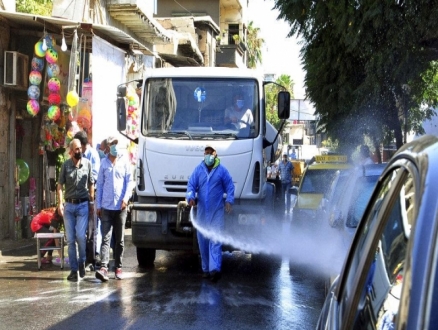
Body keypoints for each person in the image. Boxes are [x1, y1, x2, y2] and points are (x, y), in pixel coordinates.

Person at [186, 145, 234, 283]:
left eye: (210, 153)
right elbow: (191, 186)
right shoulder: (198, 170)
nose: (208, 155)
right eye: (206, 153)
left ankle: (215, 269)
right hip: (201, 212)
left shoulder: (222, 171)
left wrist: (229, 201)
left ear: (215, 154)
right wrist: (190, 198)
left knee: (215, 239)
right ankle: (206, 269)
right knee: (203, 241)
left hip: (216, 212)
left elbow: (230, 186)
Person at [95, 136, 135, 282]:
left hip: (120, 207)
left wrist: (125, 199)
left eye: (116, 144)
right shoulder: (103, 164)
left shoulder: (124, 162)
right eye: (112, 144)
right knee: (105, 238)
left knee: (119, 240)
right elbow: (99, 185)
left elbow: (130, 182)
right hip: (106, 207)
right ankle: (104, 267)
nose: (115, 147)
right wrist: (98, 205)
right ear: (108, 147)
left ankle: (118, 266)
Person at [57, 138, 95, 282]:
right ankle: (74, 270)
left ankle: (82, 262)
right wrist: (60, 203)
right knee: (71, 239)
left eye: (80, 148)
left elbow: (91, 182)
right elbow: (60, 185)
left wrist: (91, 201)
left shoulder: (88, 164)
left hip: (83, 205)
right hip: (69, 206)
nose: (80, 151)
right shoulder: (65, 166)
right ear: (71, 151)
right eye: (77, 149)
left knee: (80, 236)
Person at [74, 130, 102, 268]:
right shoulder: (80, 156)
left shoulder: (93, 155)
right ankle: (85, 256)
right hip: (80, 197)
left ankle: (94, 256)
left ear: (83, 144)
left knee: (93, 227)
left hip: (91, 196)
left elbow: (95, 176)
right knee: (83, 227)